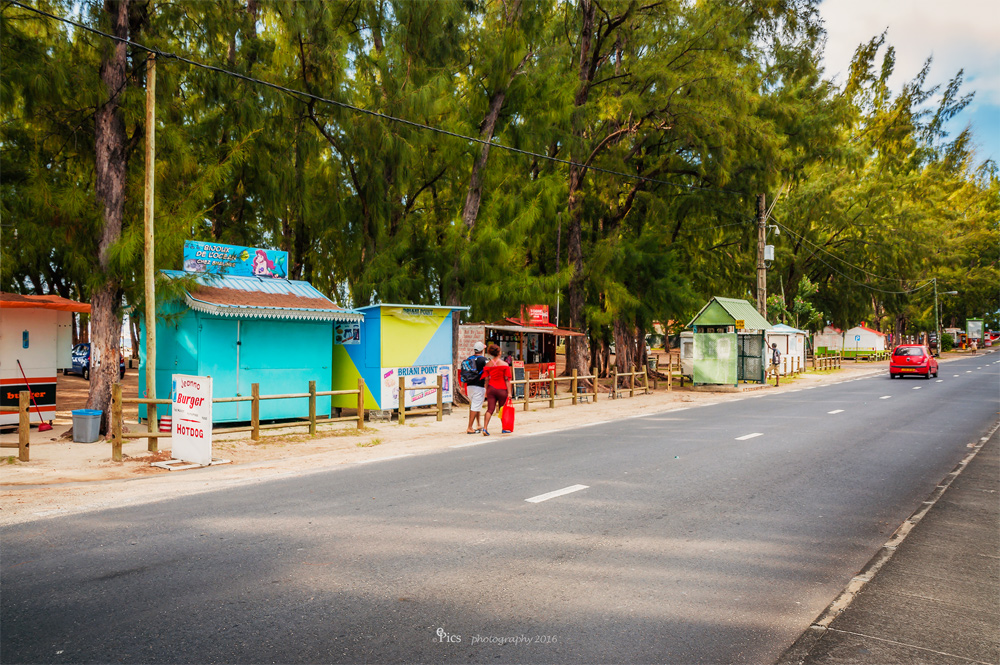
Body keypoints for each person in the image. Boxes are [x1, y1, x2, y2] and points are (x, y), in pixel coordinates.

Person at [481, 344, 513, 436]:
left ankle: (485, 428)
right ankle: (504, 428)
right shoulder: (504, 364)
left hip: (491, 388)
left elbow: (486, 379)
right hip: (502, 389)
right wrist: (510, 393)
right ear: (499, 352)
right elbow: (507, 379)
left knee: (490, 409)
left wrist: (486, 392)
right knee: (502, 409)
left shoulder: (488, 364)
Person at [462, 342, 488, 434]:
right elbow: (488, 372)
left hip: (469, 386)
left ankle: (478, 424)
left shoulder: (469, 359)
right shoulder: (484, 360)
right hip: (478, 386)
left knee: (475, 405)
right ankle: (469, 427)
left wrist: (462, 386)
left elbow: (464, 373)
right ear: (482, 350)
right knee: (475, 406)